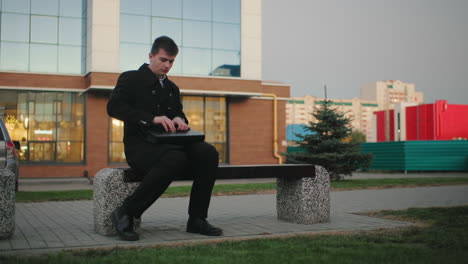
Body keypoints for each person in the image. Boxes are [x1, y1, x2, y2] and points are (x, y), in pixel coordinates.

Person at [107, 36, 222, 241]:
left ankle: (197, 219)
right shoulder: (130, 78)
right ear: (151, 56)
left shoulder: (172, 88)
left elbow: (178, 113)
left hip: (171, 145)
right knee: (175, 159)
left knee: (208, 153)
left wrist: (180, 119)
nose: (167, 65)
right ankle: (126, 212)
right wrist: (151, 119)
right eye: (163, 60)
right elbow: (114, 107)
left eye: (171, 61)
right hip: (141, 147)